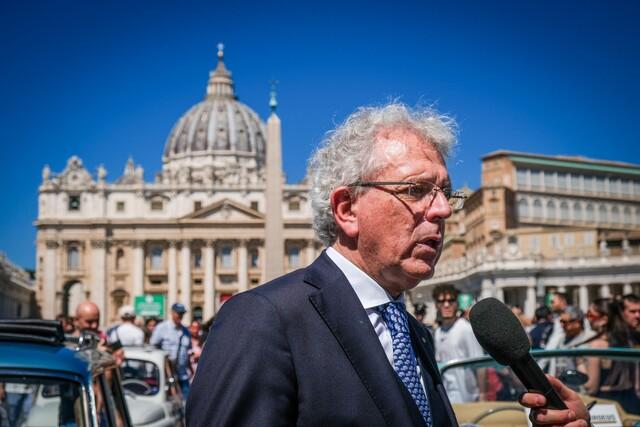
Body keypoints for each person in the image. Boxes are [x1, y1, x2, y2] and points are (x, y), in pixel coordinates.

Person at [187, 103, 590, 426]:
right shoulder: (261, 320)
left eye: (446, 193)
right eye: (416, 190)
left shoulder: (414, 332)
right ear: (347, 209)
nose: (444, 210)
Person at [432, 284, 484, 403]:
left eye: (451, 300)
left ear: (457, 304)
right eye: (441, 301)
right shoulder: (438, 332)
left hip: (468, 398)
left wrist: (483, 394)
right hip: (448, 397)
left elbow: (480, 365)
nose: (446, 305)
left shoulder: (465, 328)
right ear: (436, 305)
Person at [150, 303, 191, 399]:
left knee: (187, 401)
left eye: (182, 313)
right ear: (172, 313)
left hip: (182, 374)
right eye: (178, 313)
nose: (180, 316)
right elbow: (153, 346)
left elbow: (187, 351)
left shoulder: (185, 331)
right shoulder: (162, 328)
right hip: (166, 375)